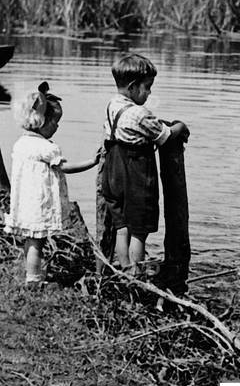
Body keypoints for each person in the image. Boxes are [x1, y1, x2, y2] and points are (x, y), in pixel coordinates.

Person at [103, 53, 189, 276]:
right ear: (132, 87)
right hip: (135, 176)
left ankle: (124, 270)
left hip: (113, 174)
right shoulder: (140, 113)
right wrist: (180, 126)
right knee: (139, 231)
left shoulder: (113, 105)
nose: (150, 93)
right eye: (147, 87)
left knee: (122, 227)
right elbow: (166, 136)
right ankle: (137, 274)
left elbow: (137, 129)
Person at [4, 82, 98, 285]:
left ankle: (32, 275)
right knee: (37, 242)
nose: (57, 126)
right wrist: (92, 162)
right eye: (55, 121)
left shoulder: (21, 143)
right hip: (40, 205)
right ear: (41, 120)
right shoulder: (46, 148)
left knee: (31, 241)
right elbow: (65, 167)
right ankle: (34, 279)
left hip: (25, 203)